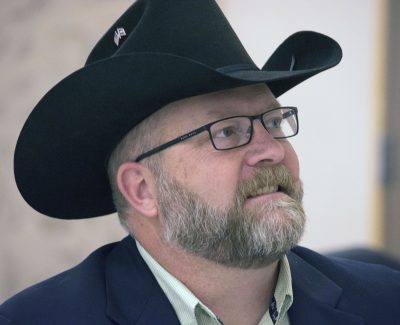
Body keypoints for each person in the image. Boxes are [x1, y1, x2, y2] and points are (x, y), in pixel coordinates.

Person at [1, 0, 400, 324]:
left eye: (274, 122)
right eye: (226, 131)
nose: (273, 150)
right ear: (142, 190)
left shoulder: (386, 302)